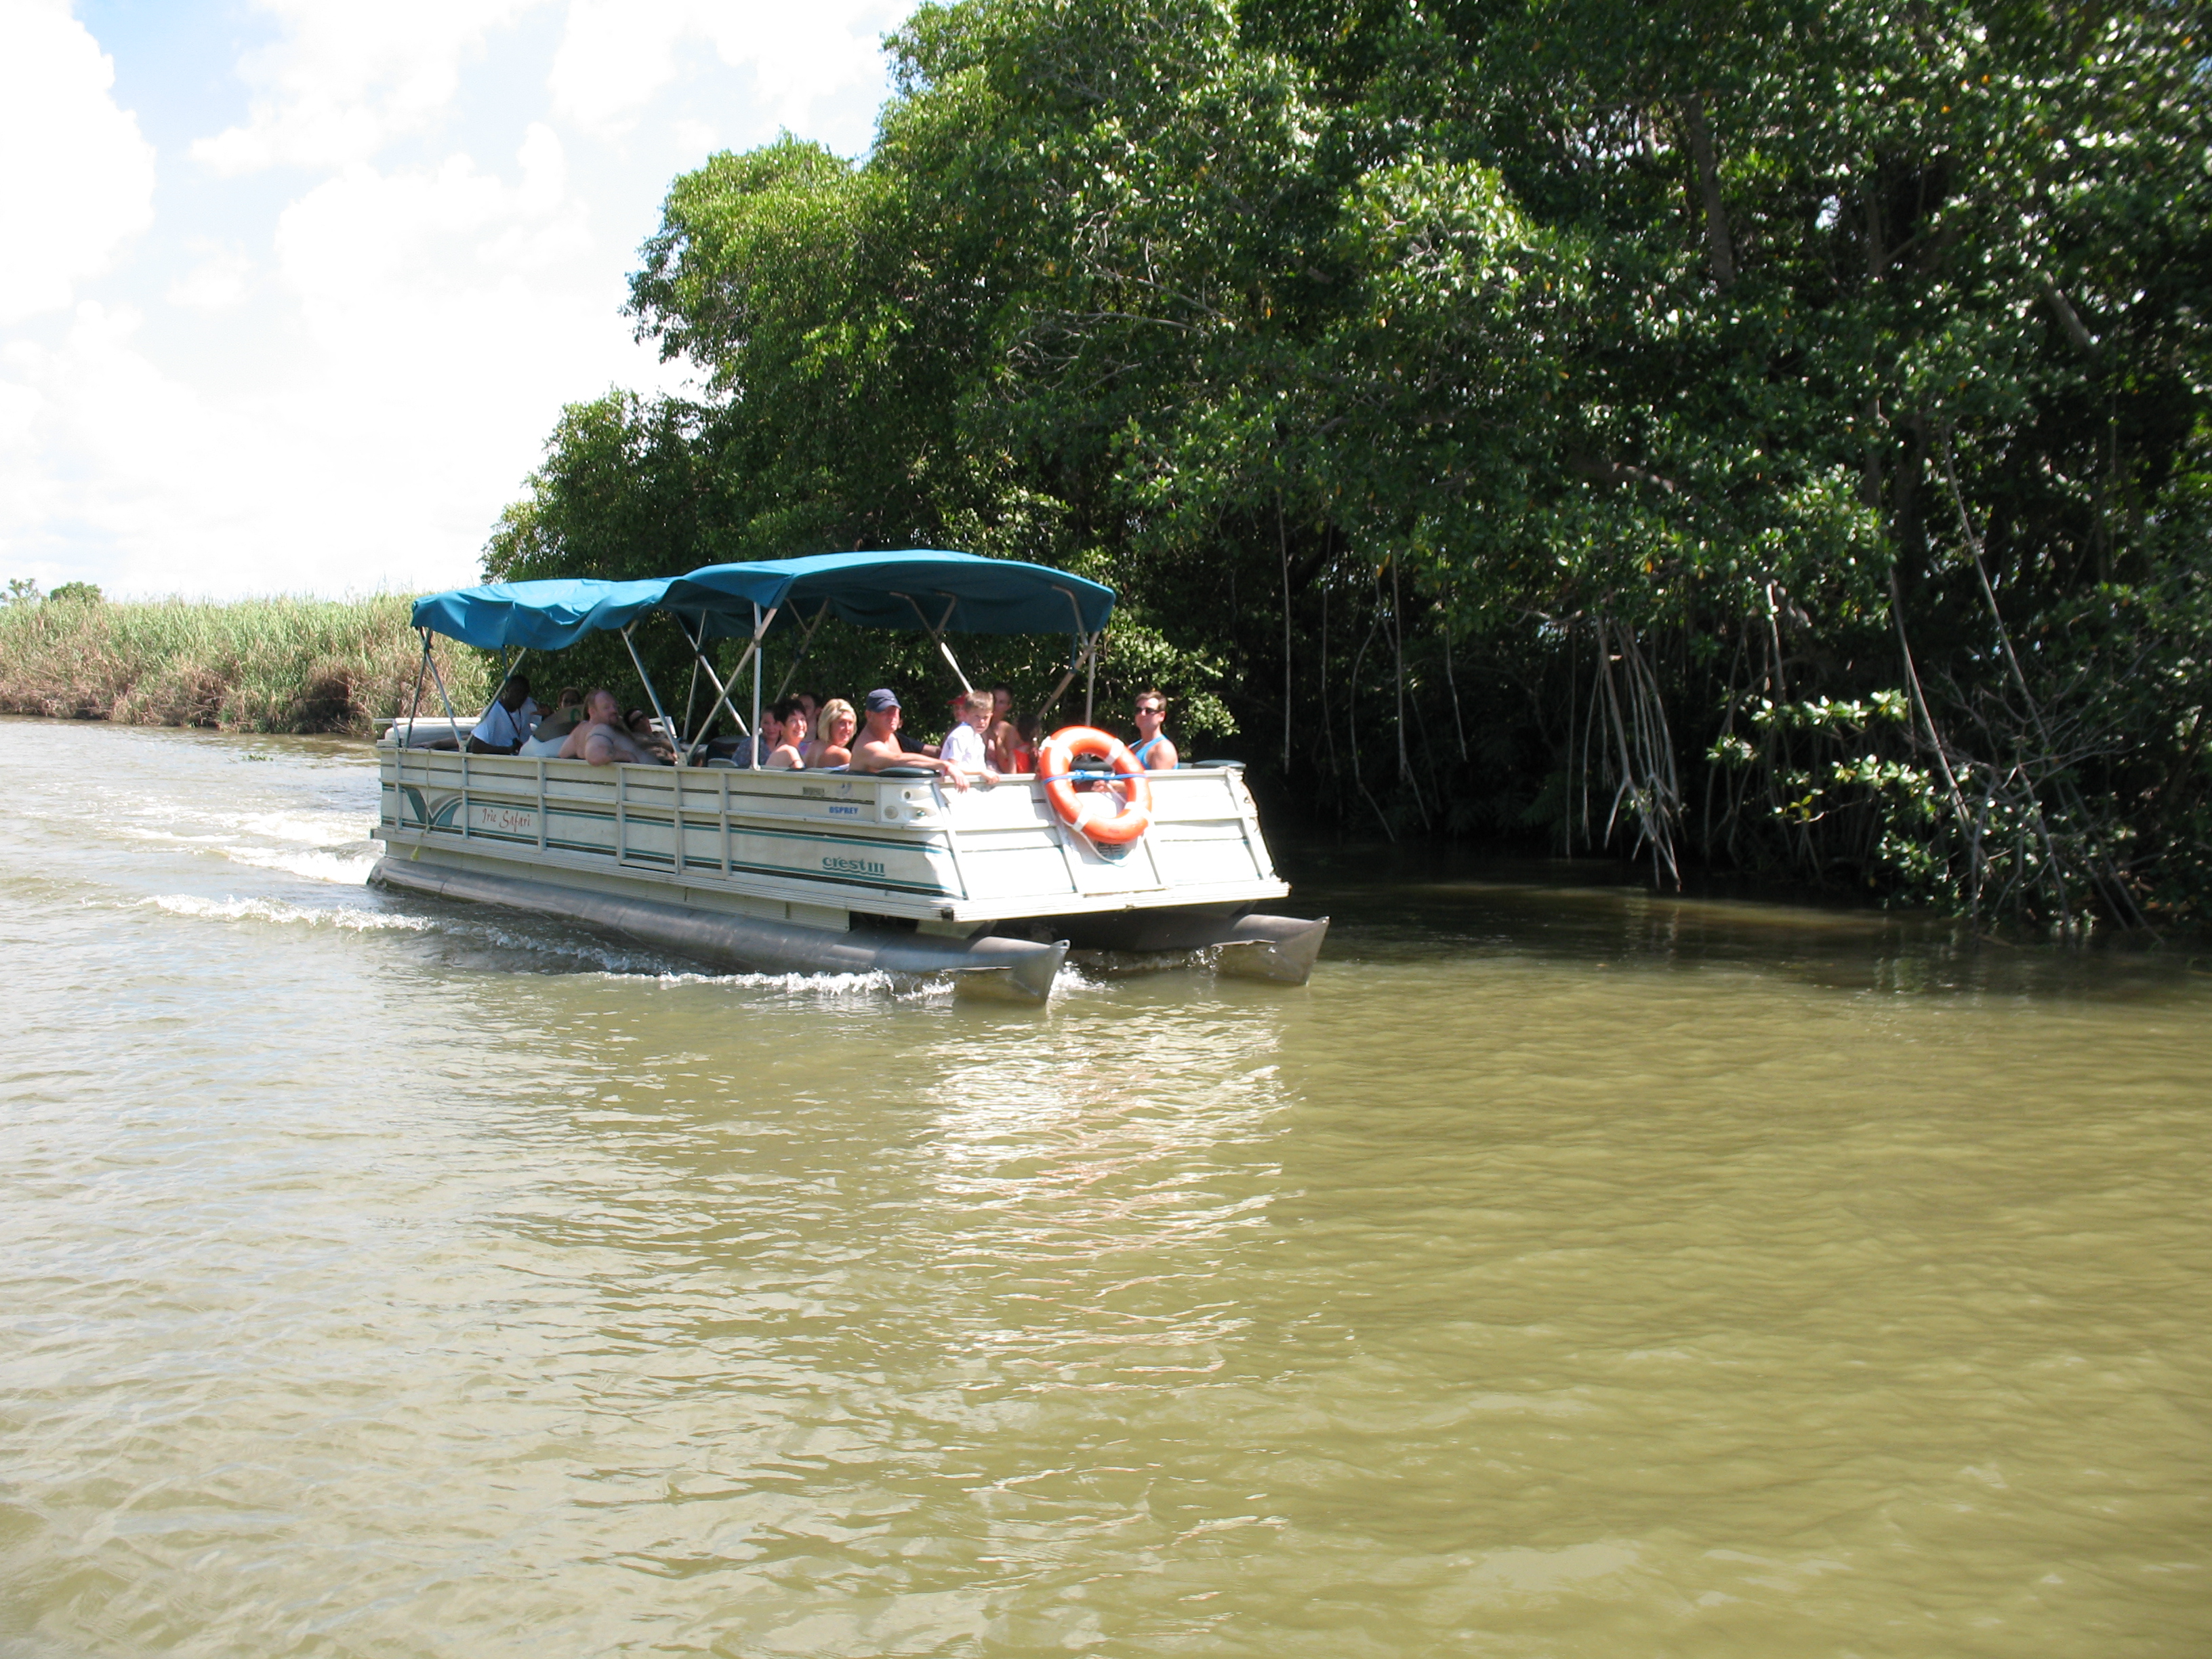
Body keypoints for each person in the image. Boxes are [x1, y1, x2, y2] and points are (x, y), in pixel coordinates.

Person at [848, 687, 970, 790]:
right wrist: (945, 765)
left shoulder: (889, 735)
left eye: (894, 711)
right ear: (869, 715)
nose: (892, 716)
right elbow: (897, 761)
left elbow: (934, 752)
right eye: (884, 711)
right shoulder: (868, 746)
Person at [558, 690, 670, 766]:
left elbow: (562, 755)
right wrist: (627, 755)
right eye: (606, 708)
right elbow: (595, 755)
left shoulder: (582, 729)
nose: (614, 711)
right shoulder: (600, 729)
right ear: (592, 712)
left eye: (615, 706)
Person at [467, 674, 537, 754]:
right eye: (517, 692)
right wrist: (508, 750)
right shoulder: (494, 711)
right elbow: (477, 747)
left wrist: (547, 714)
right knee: (468, 740)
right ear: (507, 690)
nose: (521, 697)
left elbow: (549, 723)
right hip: (503, 760)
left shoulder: (528, 704)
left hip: (527, 756)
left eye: (525, 693)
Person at [940, 689, 998, 779]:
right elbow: (951, 769)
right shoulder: (962, 734)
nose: (982, 722)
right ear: (965, 714)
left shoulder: (977, 736)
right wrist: (982, 772)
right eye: (977, 717)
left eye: (986, 717)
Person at [1130, 688, 1178, 770]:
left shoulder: (1163, 749)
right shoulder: (1131, 748)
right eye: (1138, 710)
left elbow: (1158, 782)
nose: (1142, 714)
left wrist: (1114, 783)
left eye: (1149, 711)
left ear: (1161, 716)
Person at [809, 698, 857, 767]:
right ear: (828, 724)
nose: (847, 729)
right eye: (842, 723)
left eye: (850, 723)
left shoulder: (813, 747)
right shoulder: (842, 754)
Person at [987, 684, 1020, 772]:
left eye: (1001, 702)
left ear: (1008, 706)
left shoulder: (1008, 730)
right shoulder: (974, 724)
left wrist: (996, 741)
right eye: (994, 700)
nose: (996, 705)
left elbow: (1009, 768)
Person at [766, 698, 808, 769]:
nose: (800, 725)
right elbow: (802, 778)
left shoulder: (784, 749)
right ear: (780, 726)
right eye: (793, 720)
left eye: (802, 719)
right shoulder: (789, 751)